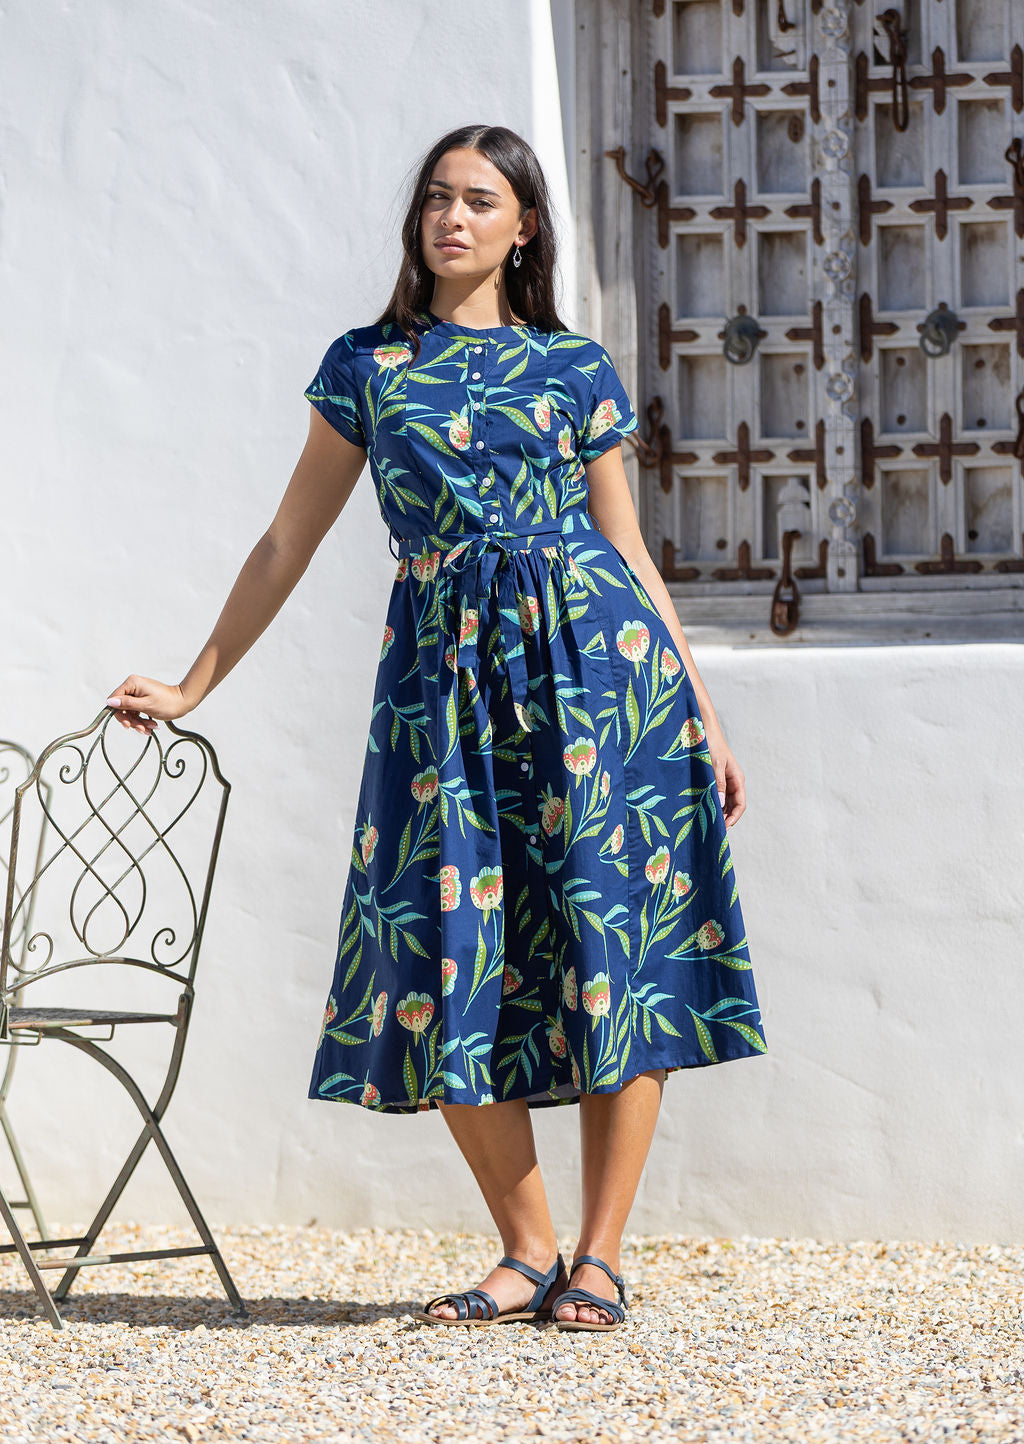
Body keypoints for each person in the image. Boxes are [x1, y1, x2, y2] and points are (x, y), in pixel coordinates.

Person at [106, 123, 766, 1333]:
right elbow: (285, 540)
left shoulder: (574, 366)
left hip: (601, 674)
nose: (449, 218)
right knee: (446, 939)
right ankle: (524, 1248)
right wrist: (198, 682)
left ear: (524, 229)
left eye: (478, 200)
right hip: (442, 688)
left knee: (610, 943)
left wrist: (705, 713)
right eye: (435, 199)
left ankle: (602, 1255)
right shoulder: (368, 365)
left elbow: (627, 549)